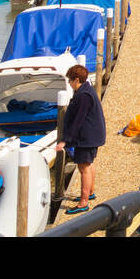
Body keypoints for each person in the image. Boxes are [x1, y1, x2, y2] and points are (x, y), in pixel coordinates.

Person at [55, 65, 105, 214]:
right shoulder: (86, 89)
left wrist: (65, 140)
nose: (69, 83)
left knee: (83, 168)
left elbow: (78, 120)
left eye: (70, 81)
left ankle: (83, 203)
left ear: (77, 80)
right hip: (92, 135)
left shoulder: (83, 96)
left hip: (87, 137)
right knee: (89, 165)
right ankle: (89, 193)